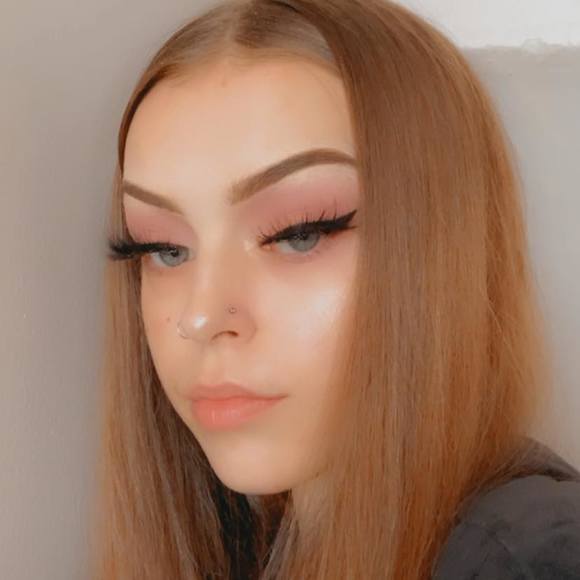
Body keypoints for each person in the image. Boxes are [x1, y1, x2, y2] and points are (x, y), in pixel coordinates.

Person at [92, 0, 580, 578]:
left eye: (299, 234)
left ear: (441, 245)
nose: (200, 317)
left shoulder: (526, 559)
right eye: (164, 249)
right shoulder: (256, 546)